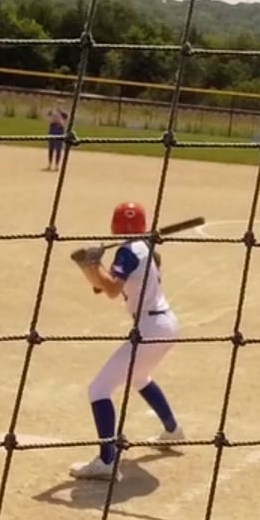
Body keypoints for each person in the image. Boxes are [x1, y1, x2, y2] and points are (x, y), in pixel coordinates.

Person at [68, 202, 185, 481]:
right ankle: (173, 430)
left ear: (113, 226)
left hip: (150, 328)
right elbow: (100, 286)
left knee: (99, 389)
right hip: (164, 325)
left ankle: (107, 462)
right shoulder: (143, 248)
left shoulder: (128, 251)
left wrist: (93, 263)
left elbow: (109, 289)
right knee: (139, 377)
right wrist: (89, 266)